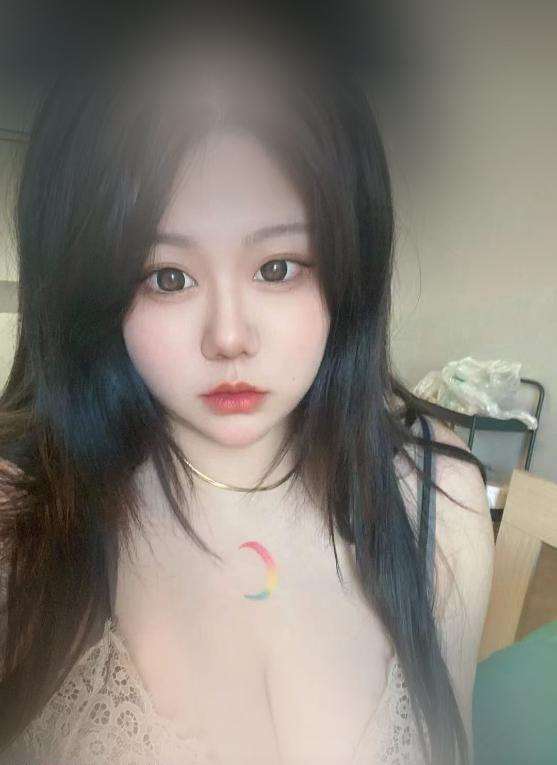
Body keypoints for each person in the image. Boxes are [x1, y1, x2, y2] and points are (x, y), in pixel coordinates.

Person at [0, 2, 494, 763]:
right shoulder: (18, 525)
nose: (229, 337)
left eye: (277, 267)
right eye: (167, 277)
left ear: (348, 266)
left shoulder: (439, 505)